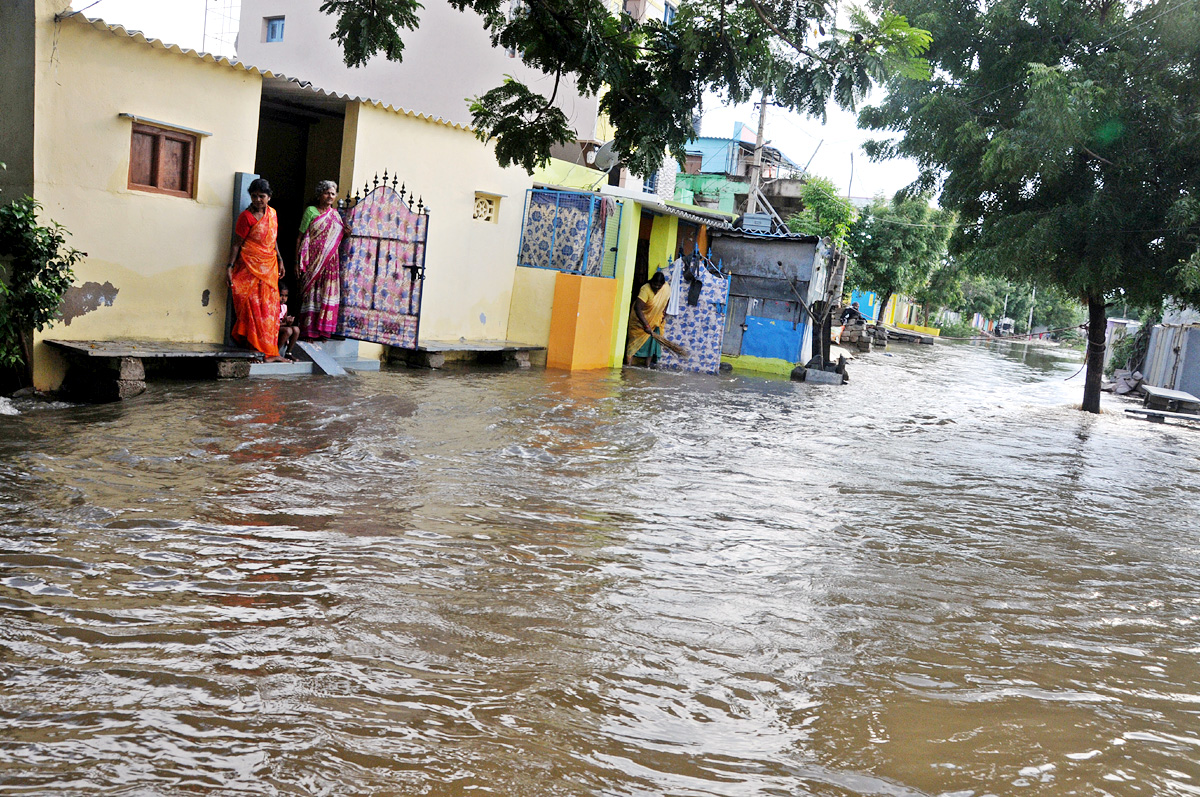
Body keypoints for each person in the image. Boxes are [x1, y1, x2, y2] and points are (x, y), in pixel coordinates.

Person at [227, 178, 286, 361]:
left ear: (269, 197)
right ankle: (253, 348)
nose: (258, 200)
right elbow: (237, 244)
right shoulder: (246, 217)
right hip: (248, 266)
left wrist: (280, 259)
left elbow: (273, 239)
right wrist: (229, 266)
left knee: (269, 309)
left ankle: (271, 353)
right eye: (254, 196)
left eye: (262, 196)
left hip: (269, 267)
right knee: (252, 308)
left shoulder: (273, 214)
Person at [296, 180, 349, 341]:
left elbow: (339, 235)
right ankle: (308, 332)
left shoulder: (335, 215)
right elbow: (300, 237)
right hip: (312, 261)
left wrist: (347, 232)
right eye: (326, 193)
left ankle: (322, 331)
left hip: (330, 263)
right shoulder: (311, 211)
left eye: (332, 194)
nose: (329, 196)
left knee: (326, 293)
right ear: (320, 194)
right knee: (312, 294)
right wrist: (296, 261)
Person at [625, 270, 671, 365]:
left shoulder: (666, 288)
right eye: (655, 285)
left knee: (651, 344)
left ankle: (647, 365)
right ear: (651, 282)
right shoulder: (645, 289)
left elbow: (667, 300)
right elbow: (638, 308)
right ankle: (629, 365)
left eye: (659, 286)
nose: (656, 287)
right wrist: (646, 325)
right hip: (640, 321)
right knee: (634, 346)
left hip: (655, 321)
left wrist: (663, 314)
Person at [277, 284, 300, 361]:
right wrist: (285, 324)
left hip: (281, 327)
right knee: (288, 330)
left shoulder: (284, 307)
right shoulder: (273, 306)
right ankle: (276, 353)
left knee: (296, 329)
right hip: (273, 329)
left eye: (286, 296)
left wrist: (289, 322)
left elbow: (284, 322)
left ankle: (288, 353)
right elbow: (273, 324)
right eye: (281, 295)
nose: (283, 298)